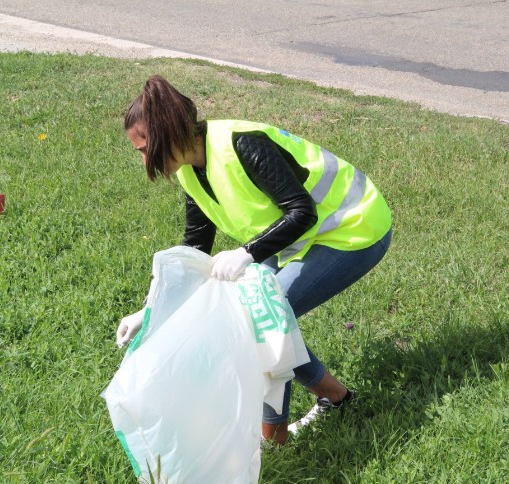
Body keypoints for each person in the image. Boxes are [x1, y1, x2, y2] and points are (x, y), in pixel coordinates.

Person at [116, 75, 392, 445]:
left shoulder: (242, 145)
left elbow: (302, 212)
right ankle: (336, 398)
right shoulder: (190, 170)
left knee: (258, 321)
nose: (144, 161)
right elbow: (195, 248)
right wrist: (152, 310)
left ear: (167, 134)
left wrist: (247, 253)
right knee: (255, 314)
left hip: (355, 226)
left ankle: (273, 439)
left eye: (144, 150)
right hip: (303, 238)